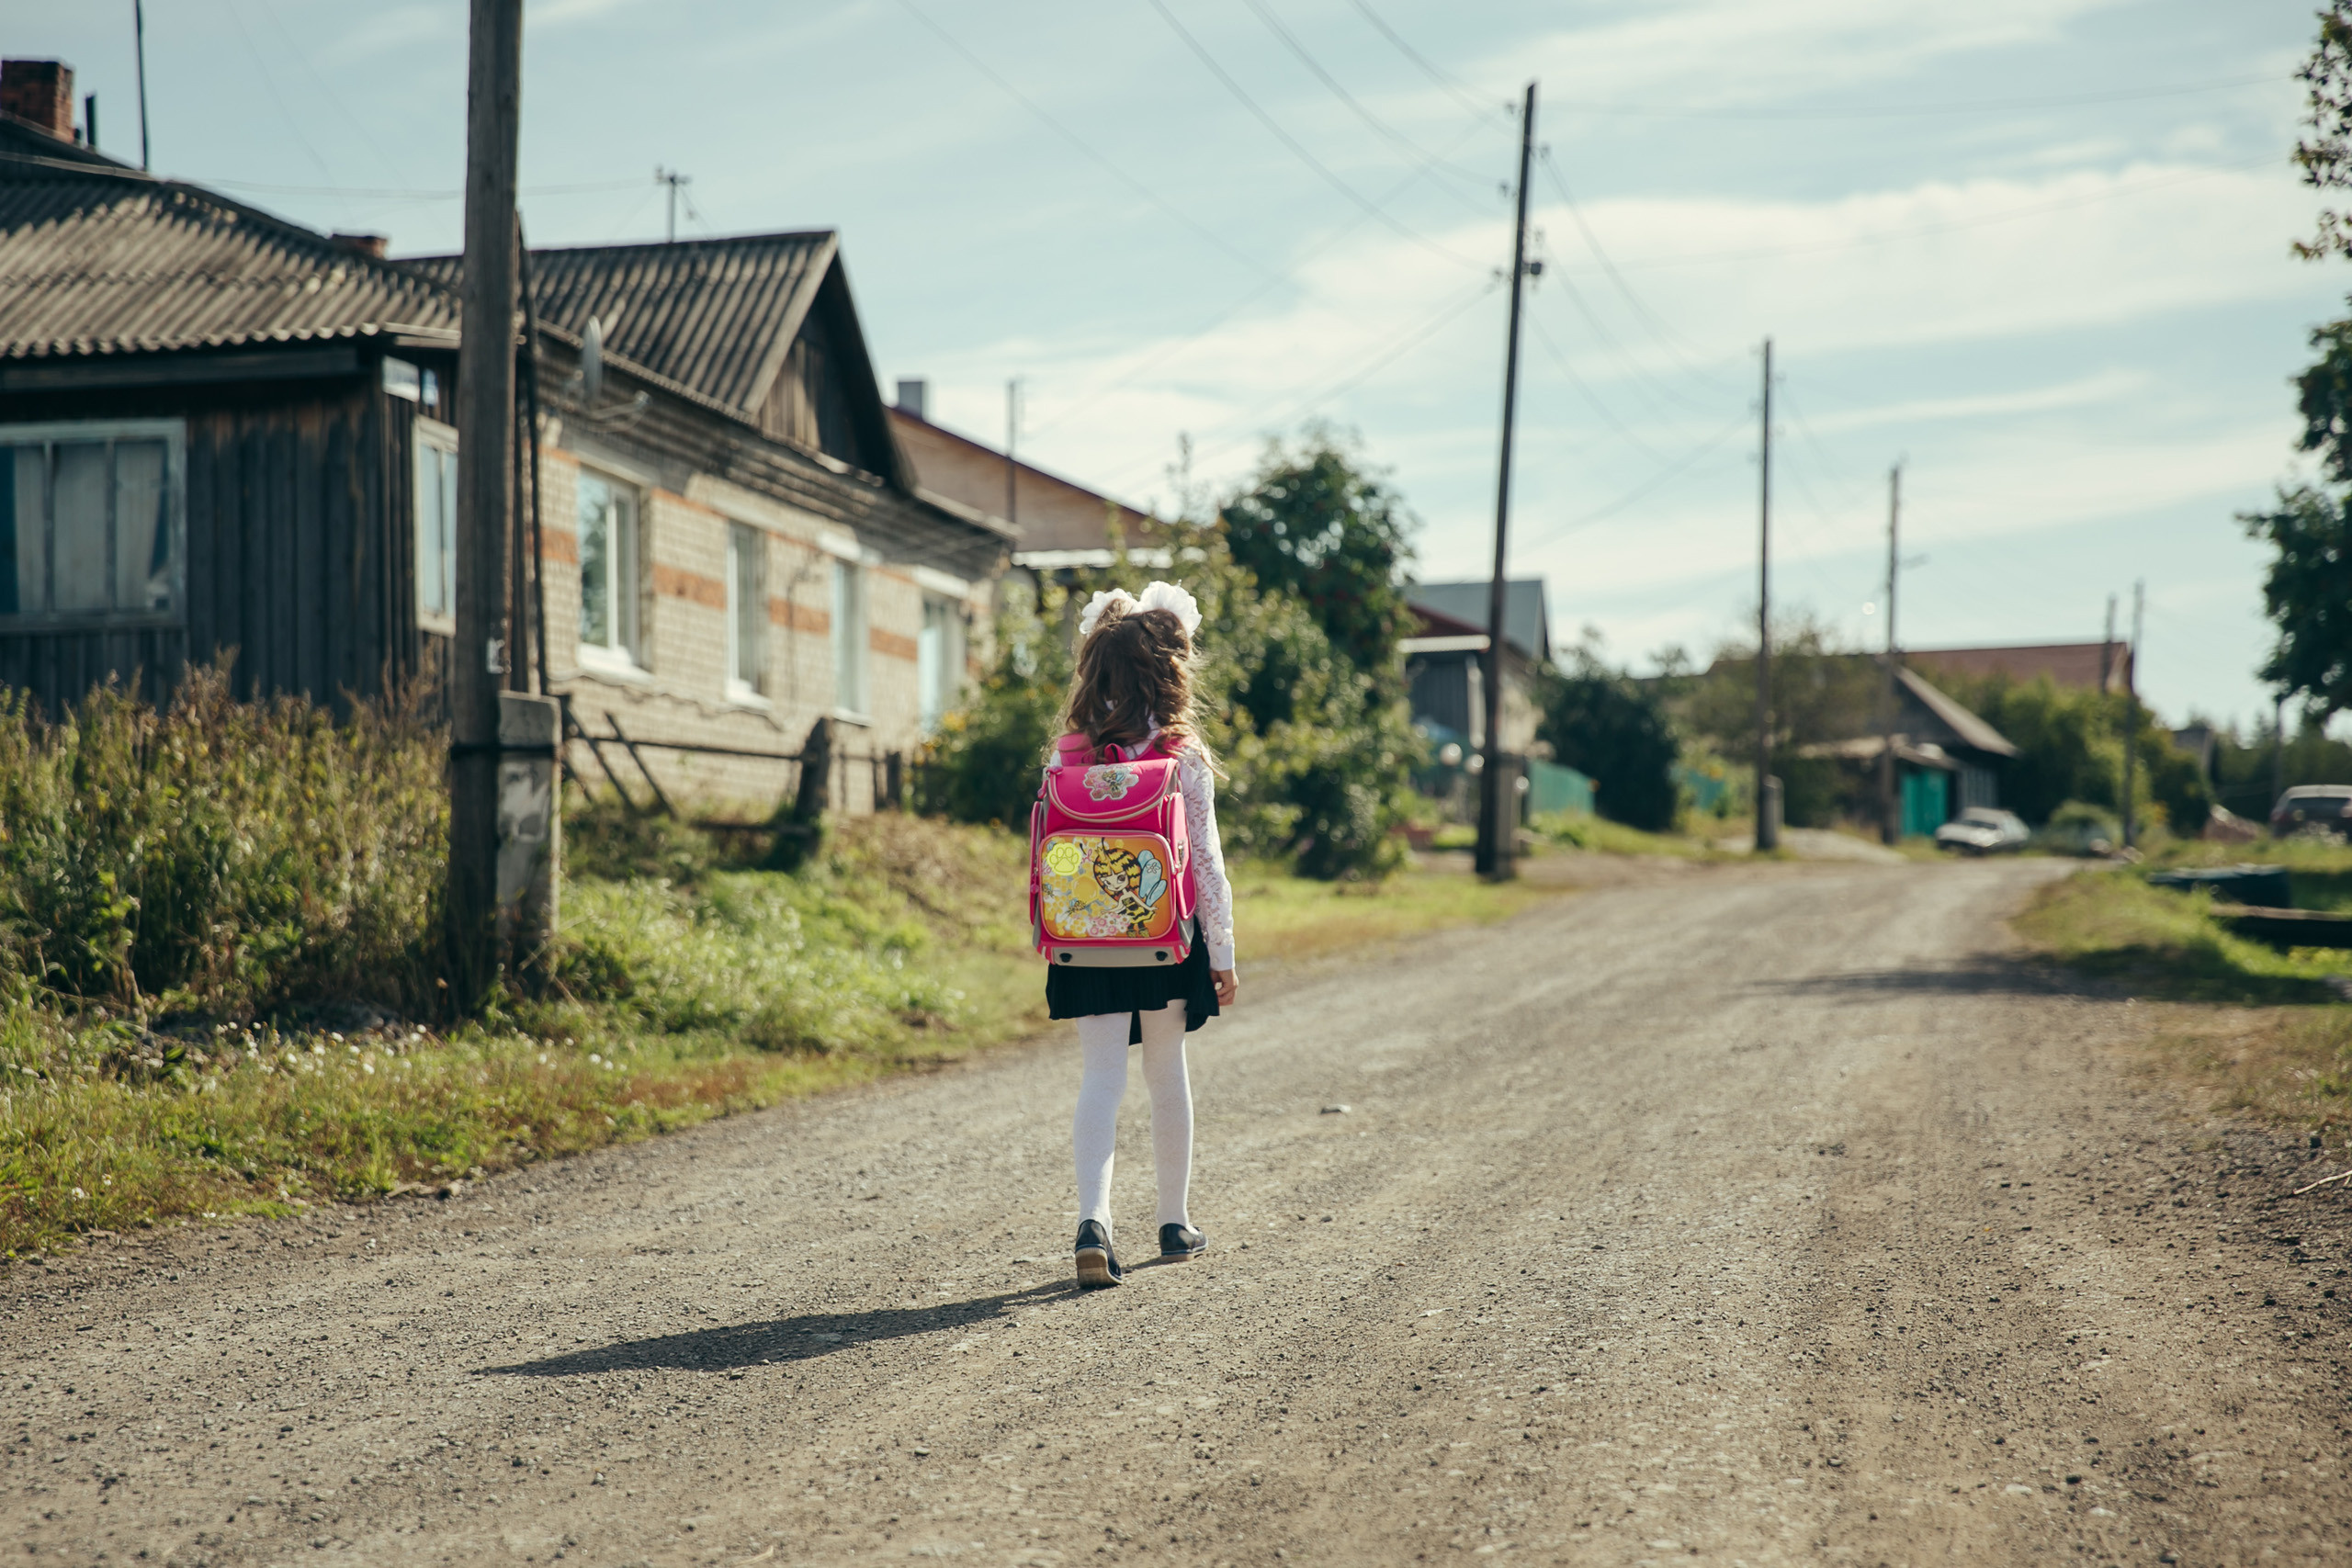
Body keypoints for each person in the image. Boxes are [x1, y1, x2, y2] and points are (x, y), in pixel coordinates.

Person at [1046, 581, 1237, 1290]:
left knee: (1100, 1075)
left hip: (1085, 940)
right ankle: (1173, 1221)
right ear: (1170, 670)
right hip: (1164, 937)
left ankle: (1093, 1220)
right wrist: (1222, 952)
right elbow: (1209, 865)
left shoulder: (1070, 755)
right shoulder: (1181, 754)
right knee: (1166, 1073)